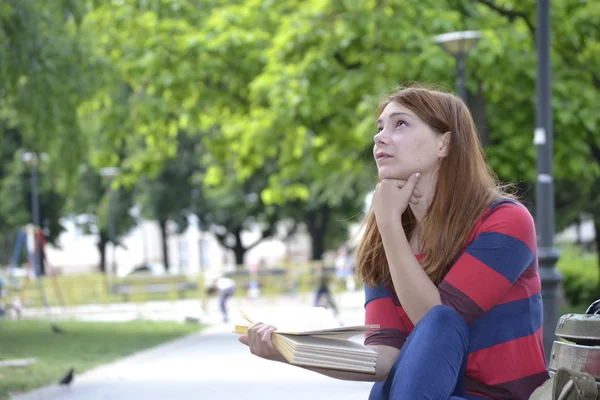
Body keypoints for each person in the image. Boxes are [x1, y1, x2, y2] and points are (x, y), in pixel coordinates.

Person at [238, 85, 549, 400]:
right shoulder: (385, 240)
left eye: (400, 124)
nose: (380, 137)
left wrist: (388, 222)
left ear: (445, 142)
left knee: (441, 320)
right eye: (380, 127)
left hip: (495, 396)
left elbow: (436, 324)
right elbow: (384, 358)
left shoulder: (506, 222)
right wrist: (291, 351)